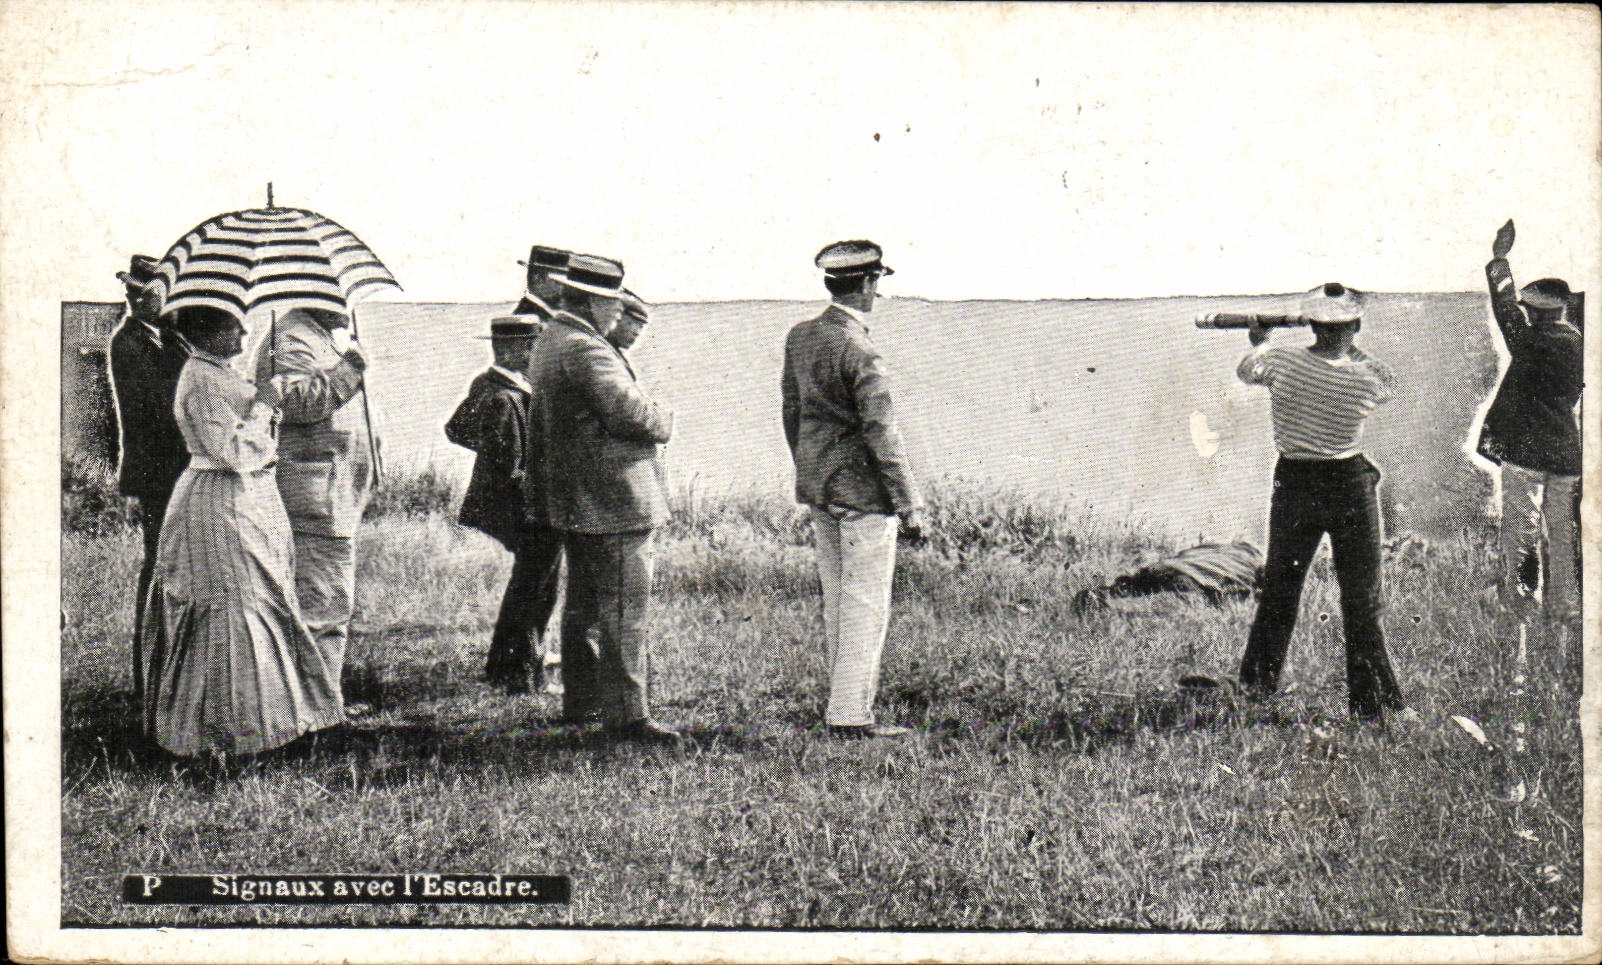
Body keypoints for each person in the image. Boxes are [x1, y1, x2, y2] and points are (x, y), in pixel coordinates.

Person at [139, 305, 344, 757]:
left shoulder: (216, 371)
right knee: (235, 605)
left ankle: (272, 719)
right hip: (220, 500)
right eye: (233, 326)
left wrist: (263, 400)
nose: (244, 332)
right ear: (204, 332)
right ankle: (230, 734)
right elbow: (231, 450)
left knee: (260, 598)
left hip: (245, 496)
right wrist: (265, 405)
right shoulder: (200, 379)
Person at [1234, 282, 1414, 724]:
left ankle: (1255, 689)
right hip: (1348, 484)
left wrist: (1262, 339)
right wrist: (1350, 337)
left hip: (1294, 481)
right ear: (1354, 325)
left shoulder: (1278, 361)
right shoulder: (1369, 375)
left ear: (1312, 324)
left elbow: (1246, 369)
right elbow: (1386, 382)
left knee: (1280, 590)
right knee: (1361, 598)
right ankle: (1373, 706)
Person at [526, 254, 680, 744]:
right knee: (623, 614)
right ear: (593, 300)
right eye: (612, 304)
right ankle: (628, 717)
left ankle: (585, 701)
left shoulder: (553, 338)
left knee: (586, 610)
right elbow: (630, 412)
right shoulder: (585, 348)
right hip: (613, 501)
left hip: (581, 500)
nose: (617, 314)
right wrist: (665, 416)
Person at [781, 240, 926, 739]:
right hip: (863, 495)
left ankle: (841, 706)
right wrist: (910, 504)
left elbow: (792, 414)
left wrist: (810, 469)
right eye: (875, 283)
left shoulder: (801, 337)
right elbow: (882, 434)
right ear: (867, 284)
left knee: (837, 599)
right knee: (864, 604)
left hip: (819, 488)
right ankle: (849, 714)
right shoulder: (860, 348)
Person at [255, 306, 376, 716]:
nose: (348, 304)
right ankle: (316, 712)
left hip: (327, 496)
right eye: (340, 294)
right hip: (314, 499)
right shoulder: (291, 337)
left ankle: (320, 702)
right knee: (321, 602)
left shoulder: (311, 333)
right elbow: (296, 402)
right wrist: (351, 368)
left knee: (325, 599)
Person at [444, 316, 563, 695]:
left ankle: (507, 665)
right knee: (535, 587)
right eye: (533, 349)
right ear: (513, 350)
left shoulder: (492, 385)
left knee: (532, 583)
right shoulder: (504, 396)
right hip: (523, 507)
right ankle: (521, 672)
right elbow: (510, 467)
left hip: (509, 505)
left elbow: (455, 429)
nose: (537, 357)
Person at [1475, 220, 1583, 631]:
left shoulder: (1537, 341)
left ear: (1538, 313)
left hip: (1528, 454)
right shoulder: (1576, 340)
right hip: (1565, 452)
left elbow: (1506, 314)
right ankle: (1564, 613)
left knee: (1520, 536)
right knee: (1563, 536)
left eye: (1530, 311)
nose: (1527, 316)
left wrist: (1500, 261)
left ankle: (1520, 611)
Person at [107, 255, 190, 702]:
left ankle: (170, 669)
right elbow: (160, 407)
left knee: (172, 566)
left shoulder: (172, 339)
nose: (142, 301)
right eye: (136, 294)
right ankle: (148, 675)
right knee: (158, 567)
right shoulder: (128, 344)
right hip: (158, 474)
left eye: (150, 293)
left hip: (177, 471)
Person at [514, 245, 570, 320]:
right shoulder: (528, 320)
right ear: (538, 279)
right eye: (558, 282)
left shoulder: (535, 314)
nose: (563, 288)